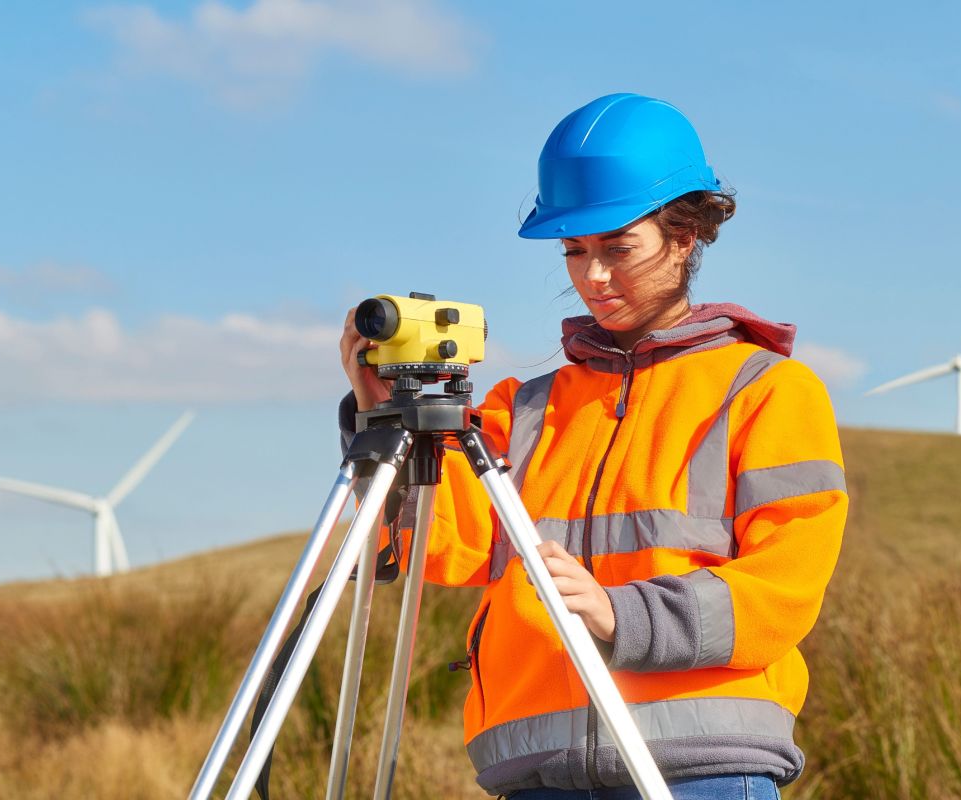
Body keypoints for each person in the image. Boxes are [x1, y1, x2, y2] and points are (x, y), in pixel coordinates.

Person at [337, 94, 847, 799]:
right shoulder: (523, 406)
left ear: (685, 235)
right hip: (538, 771)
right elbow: (436, 547)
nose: (592, 277)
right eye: (574, 251)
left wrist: (622, 615)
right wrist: (376, 407)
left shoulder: (763, 389)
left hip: (702, 769)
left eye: (617, 247)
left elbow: (784, 589)